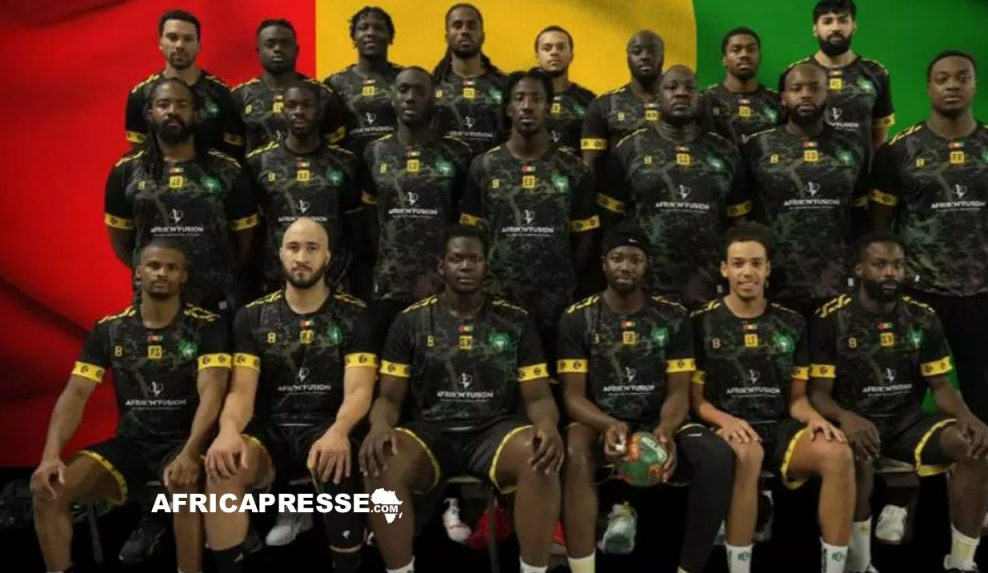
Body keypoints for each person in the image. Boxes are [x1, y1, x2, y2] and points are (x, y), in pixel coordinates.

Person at [869, 50, 988, 546]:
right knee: (900, 400)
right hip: (917, 297)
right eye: (942, 78)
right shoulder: (900, 151)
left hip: (983, 296)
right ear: (929, 87)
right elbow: (881, 226)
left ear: (974, 85)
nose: (952, 85)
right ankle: (897, 504)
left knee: (984, 399)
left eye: (962, 78)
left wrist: (972, 262)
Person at [360, 224, 564, 573]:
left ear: (486, 266)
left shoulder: (515, 321)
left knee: (539, 455)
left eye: (474, 259)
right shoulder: (410, 321)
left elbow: (539, 398)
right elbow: (389, 398)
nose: (466, 266)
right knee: (380, 462)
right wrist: (378, 426)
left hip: (493, 432)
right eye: (457, 259)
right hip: (430, 431)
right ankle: (399, 569)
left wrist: (548, 425)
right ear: (442, 267)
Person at [31, 240, 231, 573]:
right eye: (154, 266)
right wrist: (50, 455)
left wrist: (190, 452)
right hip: (131, 444)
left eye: (171, 268)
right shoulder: (109, 329)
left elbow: (212, 393)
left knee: (184, 488)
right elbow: (76, 393)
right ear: (139, 273)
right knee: (49, 492)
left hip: (185, 442)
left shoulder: (207, 326)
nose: (162, 273)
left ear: (183, 276)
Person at [808, 231, 988, 573]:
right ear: (860, 269)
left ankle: (961, 562)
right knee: (855, 455)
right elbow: (818, 393)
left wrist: (967, 416)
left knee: (974, 447)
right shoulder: (830, 318)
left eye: (897, 265)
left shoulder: (922, 316)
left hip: (907, 422)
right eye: (879, 265)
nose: (890, 273)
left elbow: (940, 386)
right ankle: (860, 564)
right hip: (855, 421)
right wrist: (846, 418)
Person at [203, 218, 377, 573]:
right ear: (280, 254)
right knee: (224, 466)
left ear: (327, 256)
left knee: (334, 462)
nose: (301, 257)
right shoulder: (252, 317)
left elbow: (359, 390)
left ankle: (347, 561)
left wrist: (339, 431)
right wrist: (228, 431)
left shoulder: (355, 315)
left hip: (326, 426)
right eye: (294, 248)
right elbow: (241, 392)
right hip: (272, 429)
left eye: (312, 248)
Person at [559, 223, 734, 573]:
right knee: (575, 450)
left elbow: (679, 392)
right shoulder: (578, 318)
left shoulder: (673, 316)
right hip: (601, 422)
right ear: (604, 263)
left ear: (646, 265)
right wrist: (607, 424)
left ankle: (690, 567)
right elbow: (573, 397)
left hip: (660, 421)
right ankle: (582, 568)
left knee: (717, 456)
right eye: (618, 258)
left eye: (635, 259)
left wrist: (666, 430)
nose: (626, 266)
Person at [690, 223, 855, 573]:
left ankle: (835, 568)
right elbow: (697, 402)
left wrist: (816, 419)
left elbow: (797, 399)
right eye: (738, 264)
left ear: (768, 269)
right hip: (726, 427)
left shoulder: (792, 323)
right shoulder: (700, 322)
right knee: (748, 452)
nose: (747, 272)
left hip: (779, 427)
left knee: (838, 453)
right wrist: (727, 421)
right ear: (724, 269)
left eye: (755, 263)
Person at [460, 68, 599, 366]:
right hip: (497, 303)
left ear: (548, 107)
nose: (527, 106)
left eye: (536, 98)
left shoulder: (574, 169)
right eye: (519, 98)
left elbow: (584, 239)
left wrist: (562, 280)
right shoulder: (483, 167)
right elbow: (472, 237)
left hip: (556, 304)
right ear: (508, 108)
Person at [598, 65, 751, 307]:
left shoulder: (725, 151)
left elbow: (738, 224)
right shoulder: (630, 148)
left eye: (690, 88)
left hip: (709, 285)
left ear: (700, 99)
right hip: (646, 287)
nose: (681, 93)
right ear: (658, 97)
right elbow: (610, 223)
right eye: (671, 87)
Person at [105, 77, 259, 313]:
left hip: (214, 302)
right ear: (150, 114)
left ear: (196, 113)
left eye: (182, 105)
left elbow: (245, 239)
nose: (172, 111)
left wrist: (218, 274)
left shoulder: (228, 170)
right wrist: (155, 274)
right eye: (163, 104)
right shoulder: (126, 171)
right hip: (153, 302)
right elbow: (121, 242)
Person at [743, 62, 868, 319]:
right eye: (796, 88)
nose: (805, 94)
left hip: (837, 279)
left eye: (814, 88)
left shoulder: (852, 146)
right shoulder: (758, 146)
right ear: (783, 98)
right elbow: (742, 216)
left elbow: (862, 214)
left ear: (827, 94)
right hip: (775, 280)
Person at [361, 67, 473, 345]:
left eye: (419, 91)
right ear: (393, 98)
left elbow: (465, 221)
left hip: (441, 286)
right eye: (403, 90)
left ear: (433, 99)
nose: (410, 97)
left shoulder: (458, 153)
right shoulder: (374, 152)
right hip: (389, 286)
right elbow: (369, 218)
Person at [247, 82, 363, 294]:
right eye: (291, 105)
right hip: (276, 281)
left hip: (333, 280)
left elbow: (354, 225)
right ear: (283, 111)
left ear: (320, 111)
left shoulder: (345, 162)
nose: (299, 111)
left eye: (307, 105)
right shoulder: (258, 163)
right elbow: (253, 229)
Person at [125, 9, 244, 159]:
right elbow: (138, 154)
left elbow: (234, 153)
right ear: (160, 42)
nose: (180, 45)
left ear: (199, 45)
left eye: (188, 39)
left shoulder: (222, 93)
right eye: (172, 38)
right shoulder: (141, 95)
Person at [784, 0, 894, 153]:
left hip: (860, 167)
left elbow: (880, 133)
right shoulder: (794, 74)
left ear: (854, 26)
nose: (836, 28)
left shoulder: (876, 73)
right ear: (815, 29)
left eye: (843, 21)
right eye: (827, 21)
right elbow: (785, 129)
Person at [233, 19, 347, 153]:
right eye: (270, 44)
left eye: (284, 43)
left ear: (297, 50)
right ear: (258, 51)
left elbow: (337, 151)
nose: (277, 49)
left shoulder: (322, 95)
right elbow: (232, 152)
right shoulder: (239, 96)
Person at [580, 30, 664, 170]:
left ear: (662, 56)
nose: (645, 56)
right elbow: (590, 165)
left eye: (652, 51)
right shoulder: (604, 105)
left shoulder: (681, 104)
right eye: (637, 51)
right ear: (628, 58)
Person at [431, 3, 507, 156]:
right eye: (457, 26)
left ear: (482, 36)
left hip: (492, 169)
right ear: (447, 37)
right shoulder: (432, 85)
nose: (464, 31)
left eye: (471, 26)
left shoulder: (505, 86)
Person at [326, 6, 402, 156]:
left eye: (378, 28)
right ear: (354, 38)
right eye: (363, 28)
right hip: (352, 164)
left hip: (394, 162)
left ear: (390, 37)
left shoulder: (404, 79)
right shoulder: (334, 83)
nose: (370, 33)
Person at [703, 27, 783, 144]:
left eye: (751, 49)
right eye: (736, 50)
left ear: (760, 58)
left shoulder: (777, 101)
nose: (744, 55)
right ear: (724, 60)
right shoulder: (705, 100)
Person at [535, 25, 596, 156]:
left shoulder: (589, 101)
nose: (554, 52)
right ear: (537, 56)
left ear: (571, 55)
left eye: (561, 47)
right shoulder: (524, 100)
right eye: (547, 48)